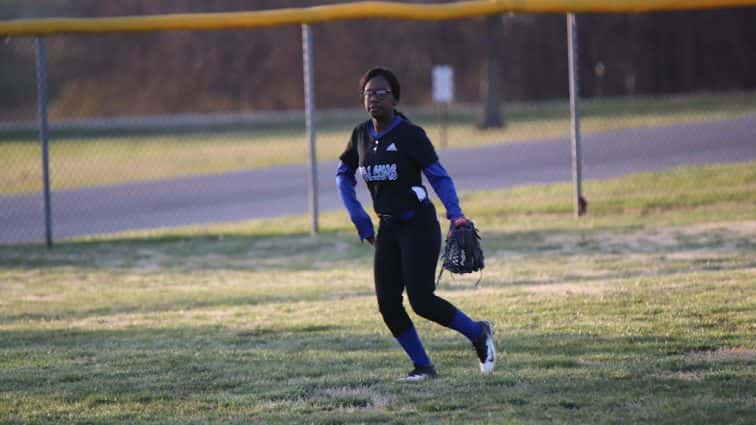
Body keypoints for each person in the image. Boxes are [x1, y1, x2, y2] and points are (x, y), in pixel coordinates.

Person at [336, 66, 496, 381]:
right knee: (387, 305)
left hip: (419, 225)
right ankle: (423, 367)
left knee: (421, 300)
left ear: (394, 98)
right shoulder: (360, 135)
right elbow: (343, 175)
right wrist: (359, 218)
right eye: (368, 93)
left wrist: (456, 213)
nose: (374, 98)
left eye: (381, 93)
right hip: (387, 229)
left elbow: (438, 175)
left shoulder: (410, 135)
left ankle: (478, 333)